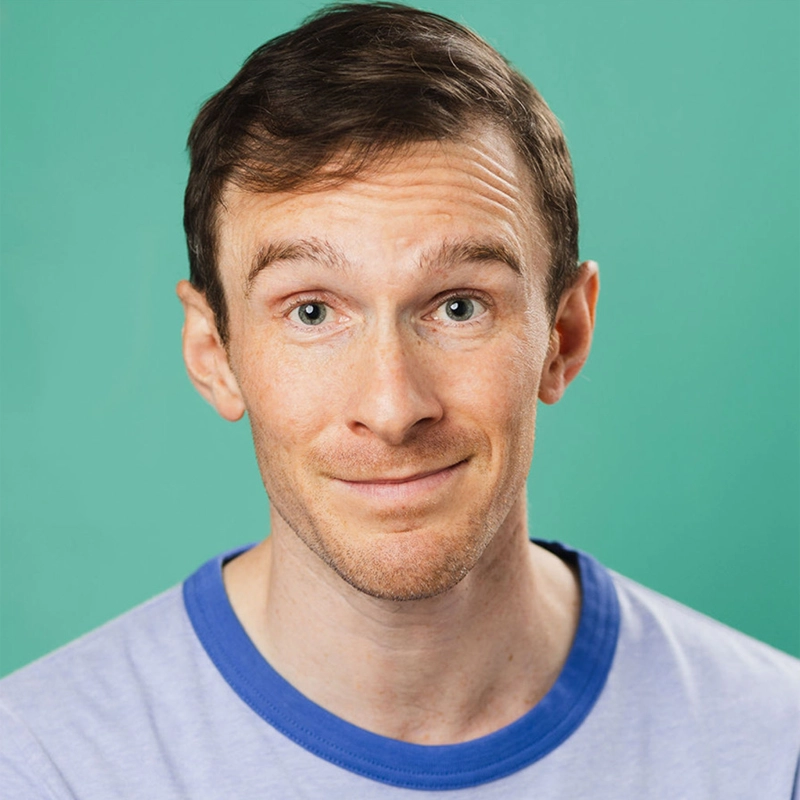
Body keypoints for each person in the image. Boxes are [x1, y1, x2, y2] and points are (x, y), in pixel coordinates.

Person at [1, 2, 798, 797]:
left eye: (458, 306)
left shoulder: (774, 748)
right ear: (215, 353)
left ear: (564, 335)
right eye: (311, 311)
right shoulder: (41, 764)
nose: (391, 408)